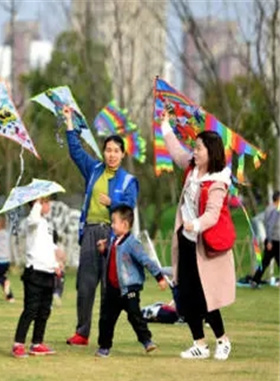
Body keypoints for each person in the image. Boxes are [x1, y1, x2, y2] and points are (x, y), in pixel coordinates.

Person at [62, 106, 139, 346]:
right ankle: (81, 333)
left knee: (109, 289)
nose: (111, 154)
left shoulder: (128, 180)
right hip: (90, 232)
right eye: (108, 150)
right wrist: (69, 124)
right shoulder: (94, 169)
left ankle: (106, 336)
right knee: (85, 286)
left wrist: (112, 203)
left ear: (123, 154)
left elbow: (129, 209)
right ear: (104, 152)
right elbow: (76, 152)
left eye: (116, 151)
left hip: (113, 236)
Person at [161, 110, 235, 360]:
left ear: (211, 152)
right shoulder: (191, 169)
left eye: (199, 148)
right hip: (186, 241)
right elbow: (175, 151)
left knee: (206, 297)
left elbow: (213, 214)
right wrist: (165, 125)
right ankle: (199, 344)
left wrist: (195, 224)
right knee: (185, 295)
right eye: (195, 147)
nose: (194, 151)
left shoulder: (217, 181)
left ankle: (222, 340)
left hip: (205, 245)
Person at [94, 205, 168, 357]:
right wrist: (104, 250)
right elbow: (114, 260)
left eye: (114, 222)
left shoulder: (132, 243)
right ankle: (104, 346)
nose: (112, 225)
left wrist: (159, 277)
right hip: (113, 290)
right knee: (106, 319)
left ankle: (147, 340)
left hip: (129, 290)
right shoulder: (114, 241)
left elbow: (146, 261)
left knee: (135, 316)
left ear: (125, 224)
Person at [11, 197, 61, 358]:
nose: (49, 205)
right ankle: (18, 344)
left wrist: (56, 263)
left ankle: (37, 343)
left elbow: (48, 246)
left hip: (48, 272)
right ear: (37, 204)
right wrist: (37, 202)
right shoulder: (32, 221)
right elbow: (33, 219)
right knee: (30, 310)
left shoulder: (46, 223)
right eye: (46, 202)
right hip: (34, 273)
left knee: (44, 311)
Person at [251, 190, 279, 286]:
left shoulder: (269, 208)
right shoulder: (275, 210)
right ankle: (255, 280)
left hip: (272, 240)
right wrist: (270, 241)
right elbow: (270, 226)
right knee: (265, 262)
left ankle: (255, 280)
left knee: (265, 262)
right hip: (274, 241)